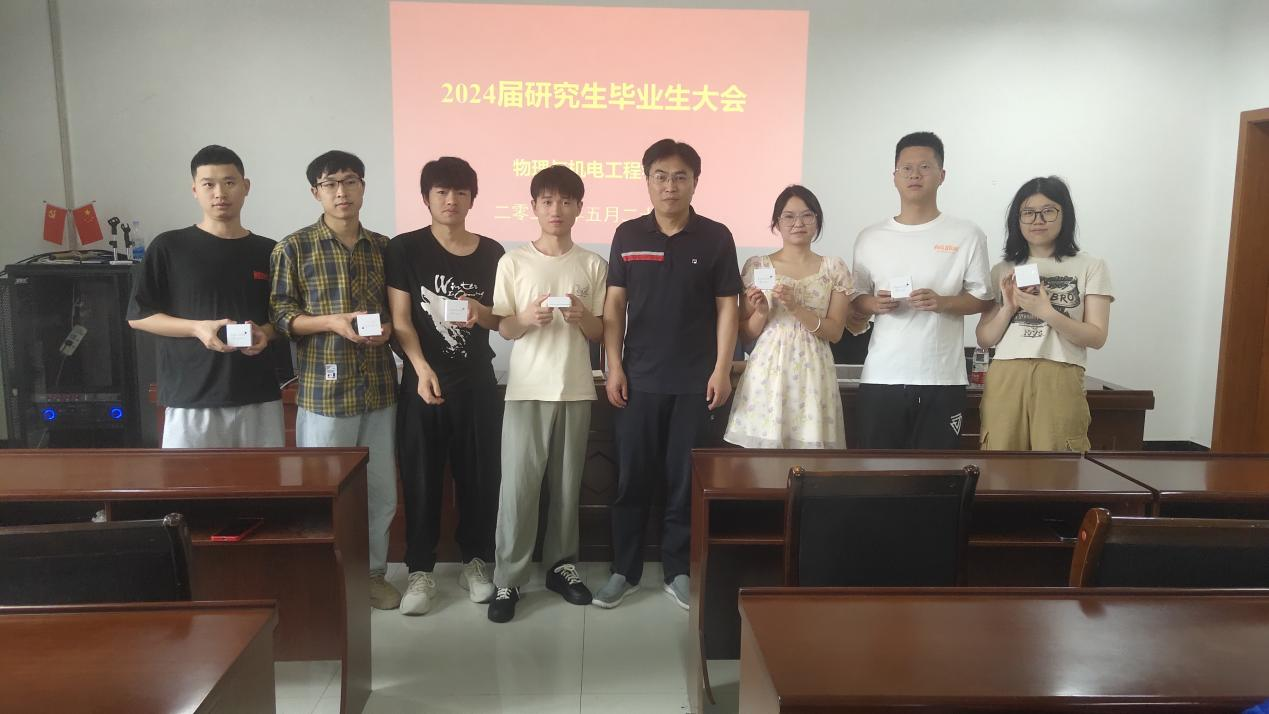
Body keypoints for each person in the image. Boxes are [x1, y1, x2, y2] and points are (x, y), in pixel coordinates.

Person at [595, 139, 742, 611]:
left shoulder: (715, 237)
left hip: (696, 383)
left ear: (695, 182)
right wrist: (613, 365)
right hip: (638, 381)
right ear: (647, 181)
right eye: (660, 176)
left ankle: (679, 569)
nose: (670, 186)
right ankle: (624, 570)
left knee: (684, 482)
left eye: (680, 176)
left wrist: (722, 369)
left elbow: (728, 307)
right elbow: (614, 306)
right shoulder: (628, 234)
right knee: (631, 480)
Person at [269, 150, 401, 610]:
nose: (341, 192)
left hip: (379, 388)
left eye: (349, 181)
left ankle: (374, 574)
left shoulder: (385, 248)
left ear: (363, 186)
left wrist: (388, 329)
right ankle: (327, 582)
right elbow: (281, 315)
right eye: (330, 184)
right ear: (316, 192)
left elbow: (397, 312)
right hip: (325, 394)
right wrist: (331, 322)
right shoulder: (293, 247)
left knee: (381, 493)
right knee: (324, 493)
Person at [485, 165, 608, 623]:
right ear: (534, 207)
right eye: (548, 201)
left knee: (567, 485)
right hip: (526, 389)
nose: (557, 209)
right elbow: (504, 326)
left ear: (579, 208)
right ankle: (508, 579)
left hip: (575, 387)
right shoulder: (513, 262)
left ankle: (561, 566)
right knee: (518, 487)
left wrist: (582, 318)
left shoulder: (593, 264)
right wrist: (526, 319)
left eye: (566, 201)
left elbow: (600, 329)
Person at [386, 156, 504, 616]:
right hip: (423, 383)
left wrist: (481, 312)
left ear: (472, 198)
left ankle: (476, 562)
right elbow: (400, 319)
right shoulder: (405, 248)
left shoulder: (492, 251)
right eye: (441, 192)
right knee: (421, 477)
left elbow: (501, 319)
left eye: (460, 192)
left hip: (476, 382)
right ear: (426, 198)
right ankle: (420, 571)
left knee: (479, 476)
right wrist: (419, 368)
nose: (451, 200)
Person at [127, 144, 282, 448]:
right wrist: (197, 328)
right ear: (195, 190)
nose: (220, 193)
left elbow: (284, 317)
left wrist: (265, 332)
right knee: (191, 481)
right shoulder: (169, 246)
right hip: (191, 398)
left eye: (229, 182)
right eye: (209, 184)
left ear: (246, 187)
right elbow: (139, 316)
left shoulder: (270, 250)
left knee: (264, 480)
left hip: (259, 396)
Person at [850, 132, 993, 449]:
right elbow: (856, 298)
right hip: (882, 377)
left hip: (942, 378)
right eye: (907, 168)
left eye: (925, 167)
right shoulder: (870, 237)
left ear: (942, 175)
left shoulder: (967, 234)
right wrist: (874, 304)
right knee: (876, 471)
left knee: (937, 472)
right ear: (894, 177)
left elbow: (983, 299)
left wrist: (943, 302)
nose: (915, 175)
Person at [975, 176, 1113, 451]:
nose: (1037, 220)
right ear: (1017, 220)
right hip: (1006, 374)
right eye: (1028, 212)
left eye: (1048, 211)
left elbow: (1097, 337)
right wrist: (1009, 308)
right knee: (1000, 460)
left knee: (1059, 463)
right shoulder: (1003, 269)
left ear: (1065, 215)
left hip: (1060, 372)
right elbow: (985, 338)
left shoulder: (1091, 266)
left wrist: (1046, 312)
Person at [725, 185, 857, 449]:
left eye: (807, 215)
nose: (798, 223)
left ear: (817, 220)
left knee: (811, 455)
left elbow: (834, 333)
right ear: (777, 223)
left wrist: (797, 308)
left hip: (814, 369)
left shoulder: (834, 268)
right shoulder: (757, 266)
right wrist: (761, 312)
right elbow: (744, 333)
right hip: (768, 369)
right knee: (763, 455)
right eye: (789, 216)